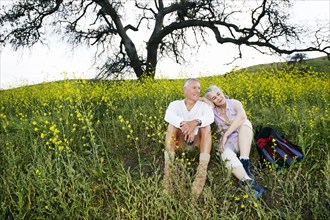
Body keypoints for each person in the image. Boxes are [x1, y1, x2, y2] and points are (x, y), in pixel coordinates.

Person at [204, 85, 264, 198]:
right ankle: (247, 181)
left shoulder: (234, 103)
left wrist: (226, 134)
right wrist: (206, 100)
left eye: (218, 93)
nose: (218, 98)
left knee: (246, 123)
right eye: (214, 98)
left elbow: (242, 116)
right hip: (229, 143)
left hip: (243, 140)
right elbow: (199, 102)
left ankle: (245, 162)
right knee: (224, 153)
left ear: (222, 91)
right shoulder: (213, 111)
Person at [163, 78, 214, 198]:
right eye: (194, 87)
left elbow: (210, 116)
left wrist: (195, 122)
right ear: (184, 90)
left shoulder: (203, 106)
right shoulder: (175, 104)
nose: (198, 90)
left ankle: (201, 173)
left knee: (206, 127)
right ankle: (168, 174)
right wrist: (184, 125)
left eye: (199, 88)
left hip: (196, 143)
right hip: (180, 143)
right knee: (171, 125)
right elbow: (168, 115)